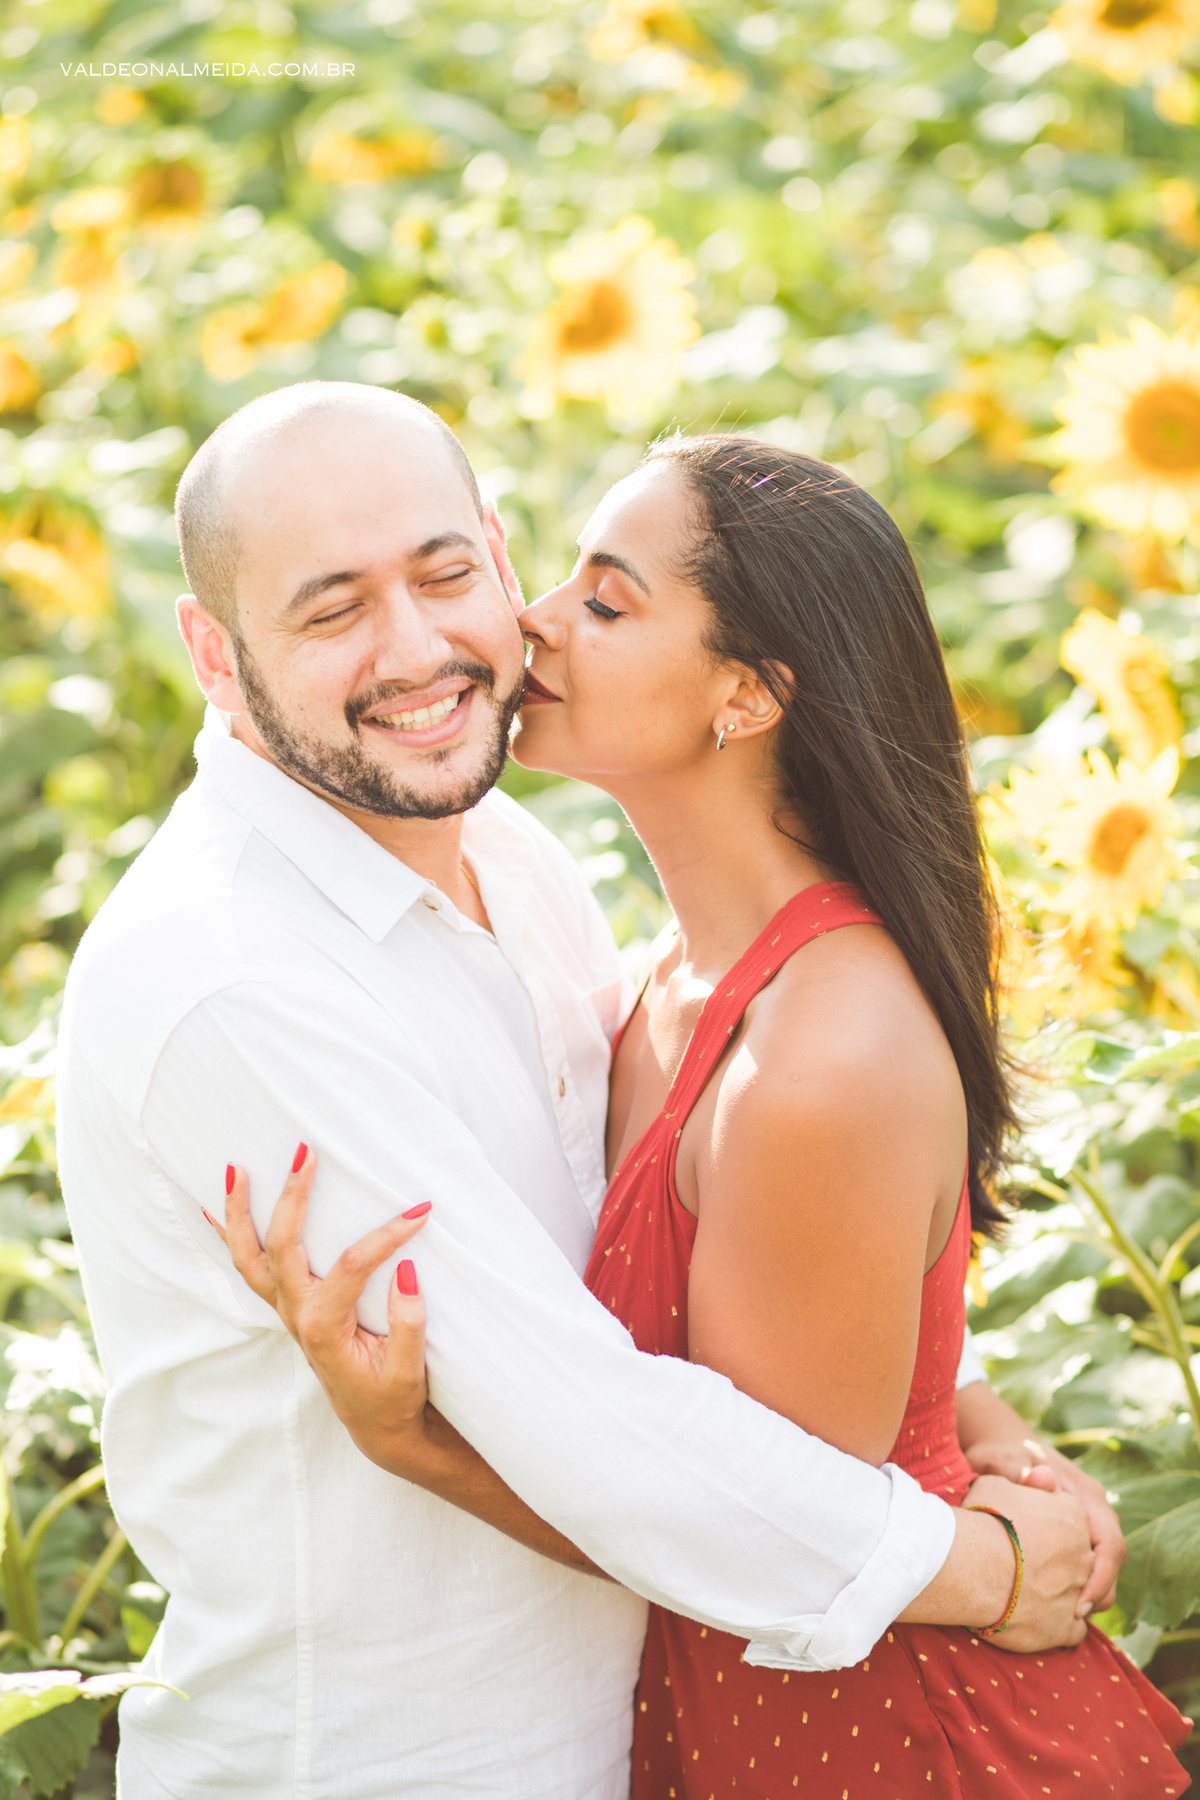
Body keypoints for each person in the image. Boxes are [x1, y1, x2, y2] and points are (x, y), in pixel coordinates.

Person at [59, 382, 1096, 1800]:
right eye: (331, 610)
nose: (420, 647)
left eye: (445, 574)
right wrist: (981, 1564)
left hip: (669, 1725)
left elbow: (729, 1265)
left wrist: (974, 1417)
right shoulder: (236, 977)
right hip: (392, 1765)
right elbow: (596, 1428)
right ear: (214, 653)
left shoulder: (514, 862)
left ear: (495, 550)